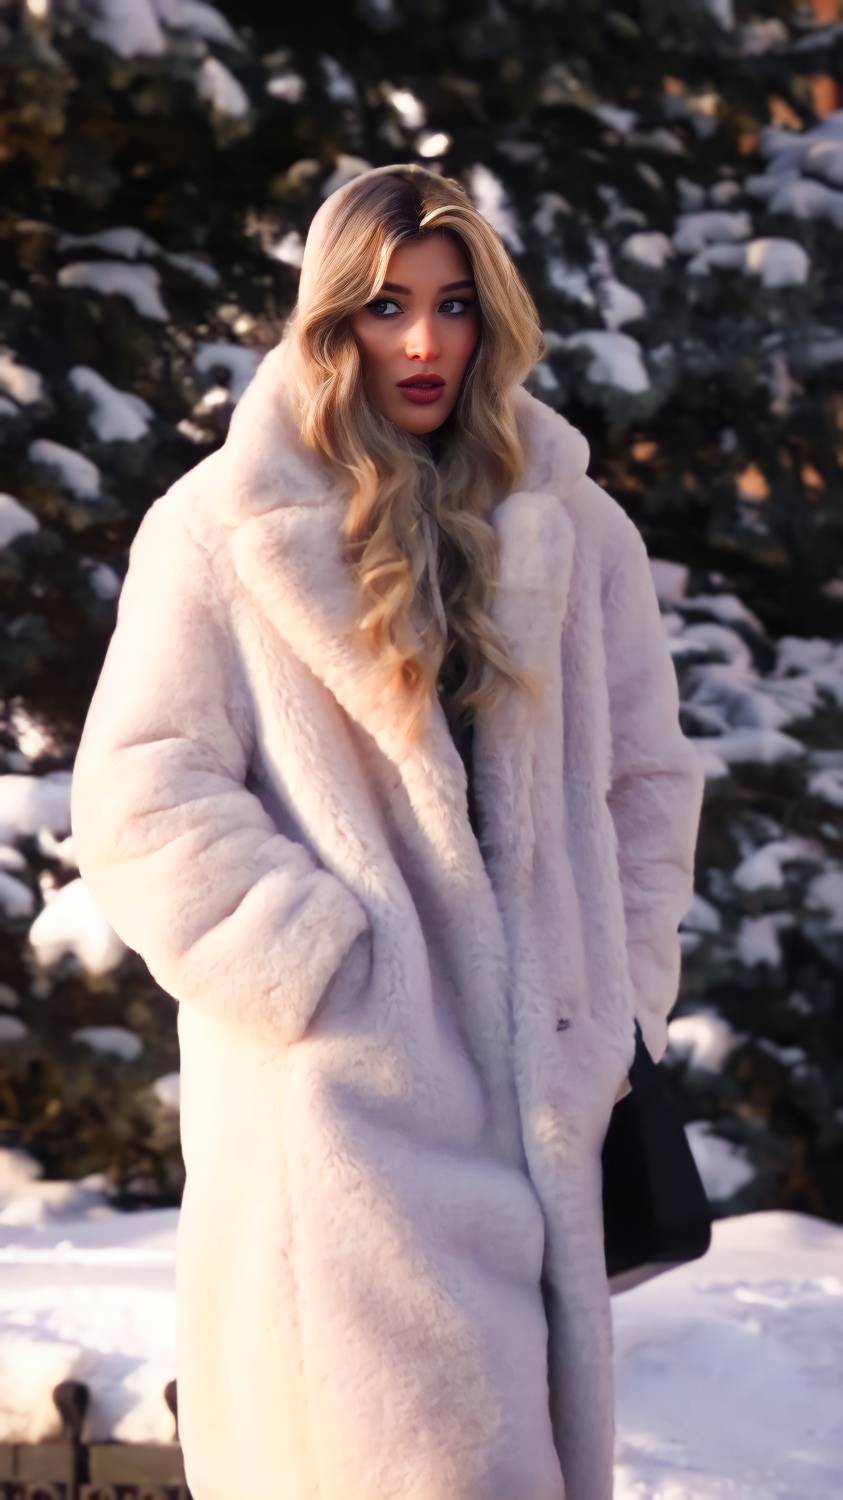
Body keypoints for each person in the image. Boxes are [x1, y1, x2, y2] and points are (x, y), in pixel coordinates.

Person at [70, 163, 705, 1500]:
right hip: (344, 1128)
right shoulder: (222, 528)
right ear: (330, 319)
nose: (423, 341)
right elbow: (139, 789)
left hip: (543, 1109)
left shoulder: (575, 528)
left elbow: (649, 782)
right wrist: (328, 973)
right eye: (386, 306)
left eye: (454, 304)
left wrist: (618, 990)